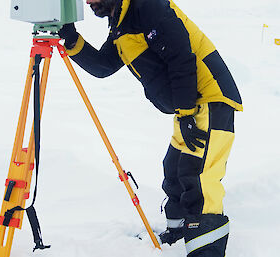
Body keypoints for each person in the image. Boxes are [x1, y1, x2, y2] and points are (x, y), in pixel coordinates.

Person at [59, 0, 243, 256]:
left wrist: (187, 113)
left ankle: (206, 251)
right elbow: (104, 65)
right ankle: (180, 233)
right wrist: (71, 39)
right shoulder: (122, 22)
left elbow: (182, 57)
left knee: (198, 176)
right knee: (175, 168)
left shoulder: (148, 7)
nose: (88, 1)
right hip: (188, 105)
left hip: (210, 99)